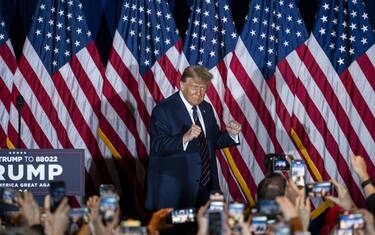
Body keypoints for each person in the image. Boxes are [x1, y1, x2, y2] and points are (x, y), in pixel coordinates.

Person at [145, 65, 242, 210]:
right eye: (195, 87)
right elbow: (157, 146)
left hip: (207, 189)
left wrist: (231, 134)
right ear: (182, 85)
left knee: (209, 229)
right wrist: (184, 137)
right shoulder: (163, 110)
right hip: (178, 192)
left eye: (204, 88)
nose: (199, 93)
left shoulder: (206, 108)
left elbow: (212, 142)